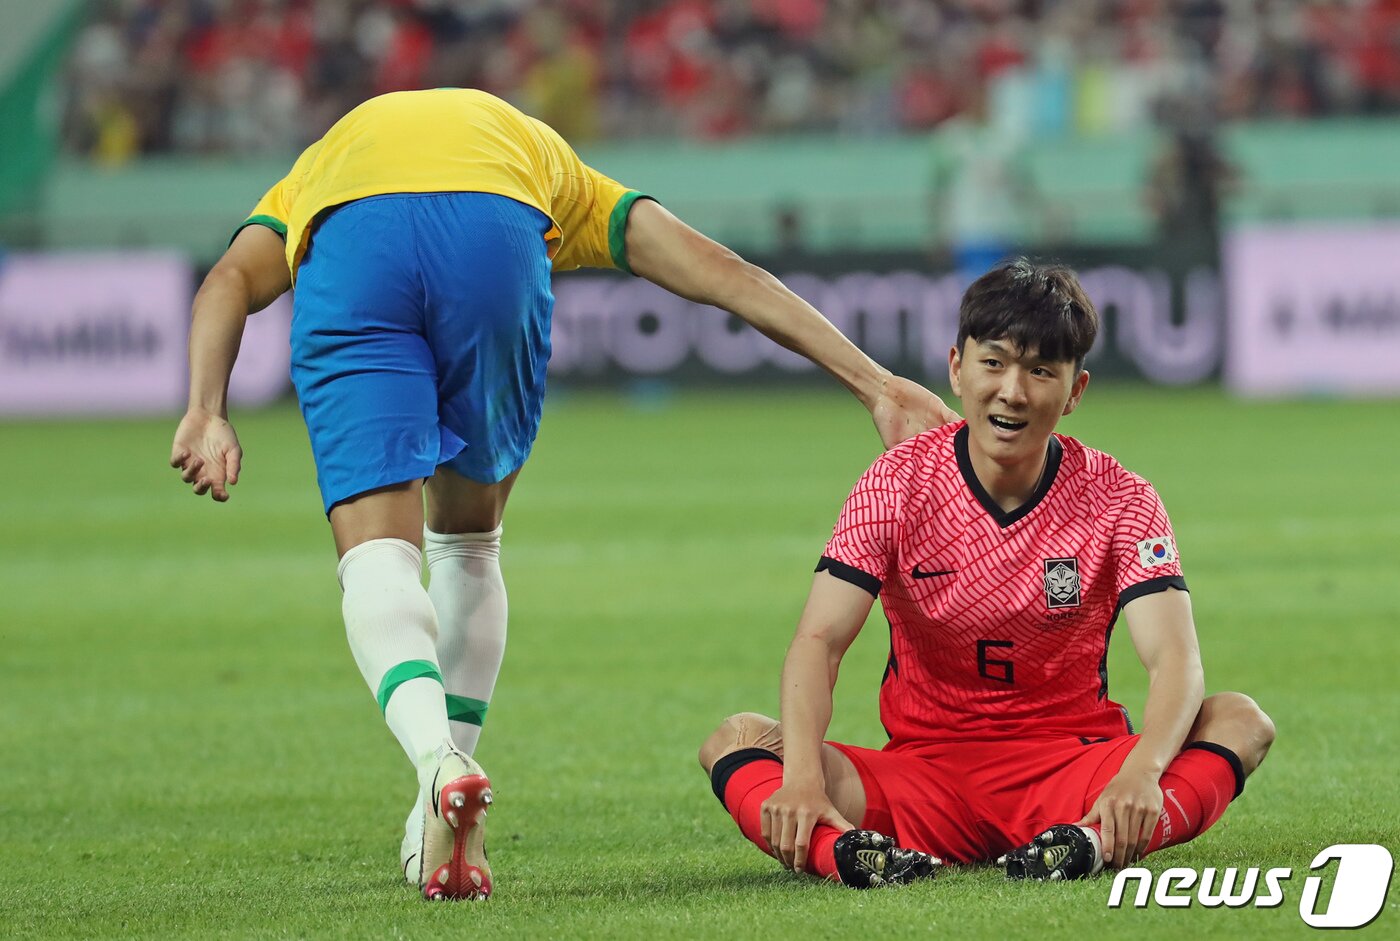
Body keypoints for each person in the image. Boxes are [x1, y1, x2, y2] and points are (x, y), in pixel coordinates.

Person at [167, 87, 955, 901]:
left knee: (377, 551)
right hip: (498, 226)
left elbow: (229, 276)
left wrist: (205, 409)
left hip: (351, 232)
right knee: (467, 541)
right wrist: (875, 383)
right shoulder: (554, 167)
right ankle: (432, 799)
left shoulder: (313, 172)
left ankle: (437, 762)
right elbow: (725, 273)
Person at [698, 260, 1275, 888]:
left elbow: (1175, 659)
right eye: (994, 363)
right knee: (736, 739)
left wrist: (1140, 772)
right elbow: (819, 642)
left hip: (1075, 771)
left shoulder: (1121, 498)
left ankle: (1084, 839)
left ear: (1075, 391)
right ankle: (851, 852)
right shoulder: (896, 483)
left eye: (1040, 371)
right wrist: (806, 781)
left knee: (1240, 721)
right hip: (923, 780)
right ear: (956, 368)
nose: (1013, 391)